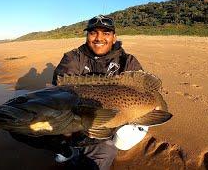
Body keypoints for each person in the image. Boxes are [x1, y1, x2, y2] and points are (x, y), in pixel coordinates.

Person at [52, 15, 144, 170]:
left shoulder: (127, 61)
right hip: (76, 122)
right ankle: (69, 148)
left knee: (101, 157)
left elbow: (141, 89)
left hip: (109, 127)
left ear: (114, 37)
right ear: (87, 36)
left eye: (106, 33)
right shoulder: (73, 57)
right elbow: (62, 89)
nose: (99, 38)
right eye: (93, 32)